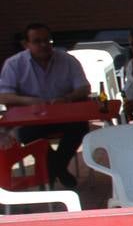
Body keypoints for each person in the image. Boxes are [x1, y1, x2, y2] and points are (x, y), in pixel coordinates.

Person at [0, 22, 90, 187]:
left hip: (62, 116)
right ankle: (59, 170)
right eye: (37, 41)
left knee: (80, 127)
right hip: (31, 120)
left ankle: (54, 169)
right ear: (26, 44)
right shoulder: (14, 64)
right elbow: (3, 96)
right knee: (28, 135)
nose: (44, 45)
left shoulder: (67, 60)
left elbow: (84, 87)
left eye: (47, 41)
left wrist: (67, 98)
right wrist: (29, 101)